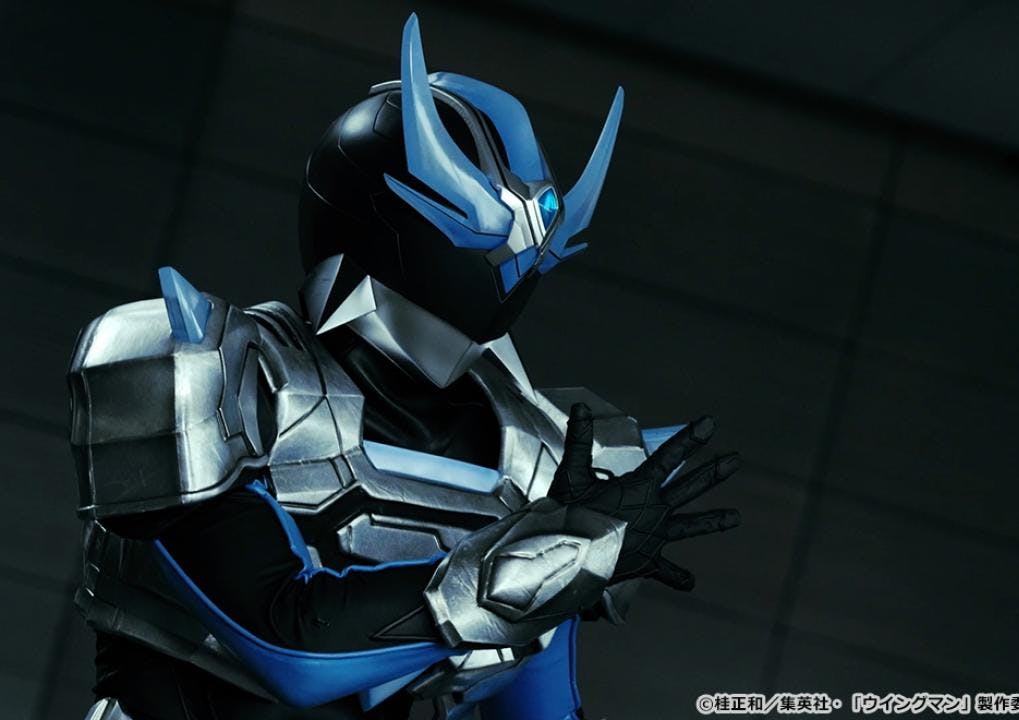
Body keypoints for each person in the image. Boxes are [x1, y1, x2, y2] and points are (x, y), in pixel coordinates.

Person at [69, 14, 740, 720]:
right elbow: (289, 645)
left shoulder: (543, 458)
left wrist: (563, 556)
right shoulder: (211, 377)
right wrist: (544, 564)